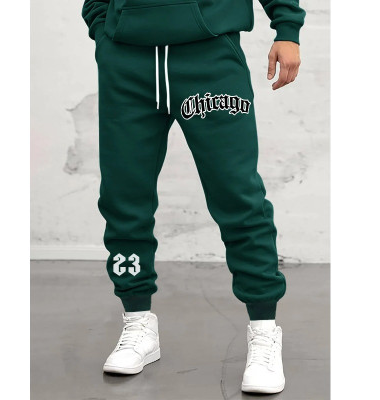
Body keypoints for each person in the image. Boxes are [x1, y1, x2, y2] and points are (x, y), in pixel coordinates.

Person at [82, 0, 305, 394]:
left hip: (209, 57)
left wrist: (287, 29)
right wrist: (103, 30)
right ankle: (137, 322)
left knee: (238, 196)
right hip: (126, 61)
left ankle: (264, 330)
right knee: (123, 197)